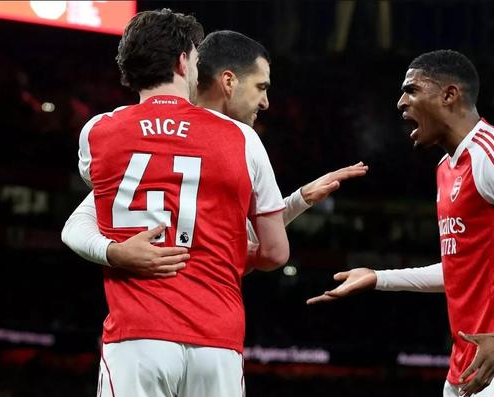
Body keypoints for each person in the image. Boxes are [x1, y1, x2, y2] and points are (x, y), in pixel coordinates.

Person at [307, 50, 494, 397]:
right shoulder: (446, 170)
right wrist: (378, 278)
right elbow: (461, 272)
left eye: (412, 90)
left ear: (449, 94)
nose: (401, 102)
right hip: (467, 360)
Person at [74, 9, 290, 397]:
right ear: (182, 61)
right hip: (217, 342)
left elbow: (84, 218)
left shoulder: (98, 133)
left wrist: (114, 252)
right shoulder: (242, 139)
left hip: (138, 338)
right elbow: (274, 253)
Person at [62, 30, 367, 274]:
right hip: (206, 315)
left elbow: (77, 225)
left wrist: (300, 199)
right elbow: (263, 250)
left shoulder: (146, 136)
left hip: (140, 319)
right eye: (261, 87)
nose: (265, 102)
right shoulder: (239, 141)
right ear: (228, 81)